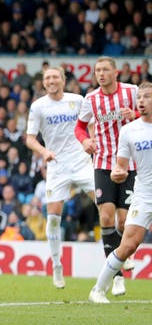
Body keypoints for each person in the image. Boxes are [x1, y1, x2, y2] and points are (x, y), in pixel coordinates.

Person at [25, 66, 95, 289]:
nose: (51, 81)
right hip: (56, 165)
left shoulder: (77, 100)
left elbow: (89, 126)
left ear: (63, 81)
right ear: (43, 83)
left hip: (81, 161)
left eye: (55, 77)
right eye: (47, 78)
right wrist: (44, 152)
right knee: (53, 216)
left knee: (104, 204)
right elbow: (30, 139)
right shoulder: (38, 106)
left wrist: (91, 142)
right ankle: (56, 265)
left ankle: (120, 254)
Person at [75, 56, 138, 297]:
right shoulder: (90, 99)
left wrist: (132, 113)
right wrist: (85, 141)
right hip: (102, 163)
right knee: (106, 217)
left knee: (123, 222)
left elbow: (147, 114)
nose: (100, 74)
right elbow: (80, 127)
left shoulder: (131, 92)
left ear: (116, 72)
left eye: (105, 70)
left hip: (130, 164)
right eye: (97, 70)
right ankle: (118, 277)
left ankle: (123, 257)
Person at [89, 82, 152, 303]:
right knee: (128, 245)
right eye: (140, 98)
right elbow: (121, 166)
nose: (142, 101)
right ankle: (98, 289)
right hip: (144, 194)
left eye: (147, 97)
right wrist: (117, 173)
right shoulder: (128, 131)